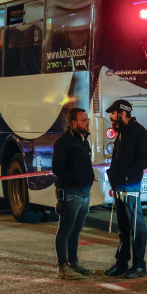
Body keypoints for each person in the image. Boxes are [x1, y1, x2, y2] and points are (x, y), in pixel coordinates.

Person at [104, 99, 147, 279]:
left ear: (122, 113)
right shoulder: (122, 132)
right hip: (119, 186)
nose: (110, 116)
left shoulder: (138, 131)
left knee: (136, 225)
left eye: (113, 113)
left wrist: (128, 175)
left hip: (130, 185)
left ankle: (139, 265)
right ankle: (122, 264)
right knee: (124, 228)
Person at [52, 108, 95, 280]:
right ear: (73, 123)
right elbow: (57, 168)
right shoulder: (63, 142)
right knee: (65, 229)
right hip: (71, 192)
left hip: (84, 192)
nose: (87, 122)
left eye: (87, 120)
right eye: (83, 120)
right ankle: (62, 267)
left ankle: (74, 263)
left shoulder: (83, 140)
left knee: (76, 230)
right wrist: (75, 180)